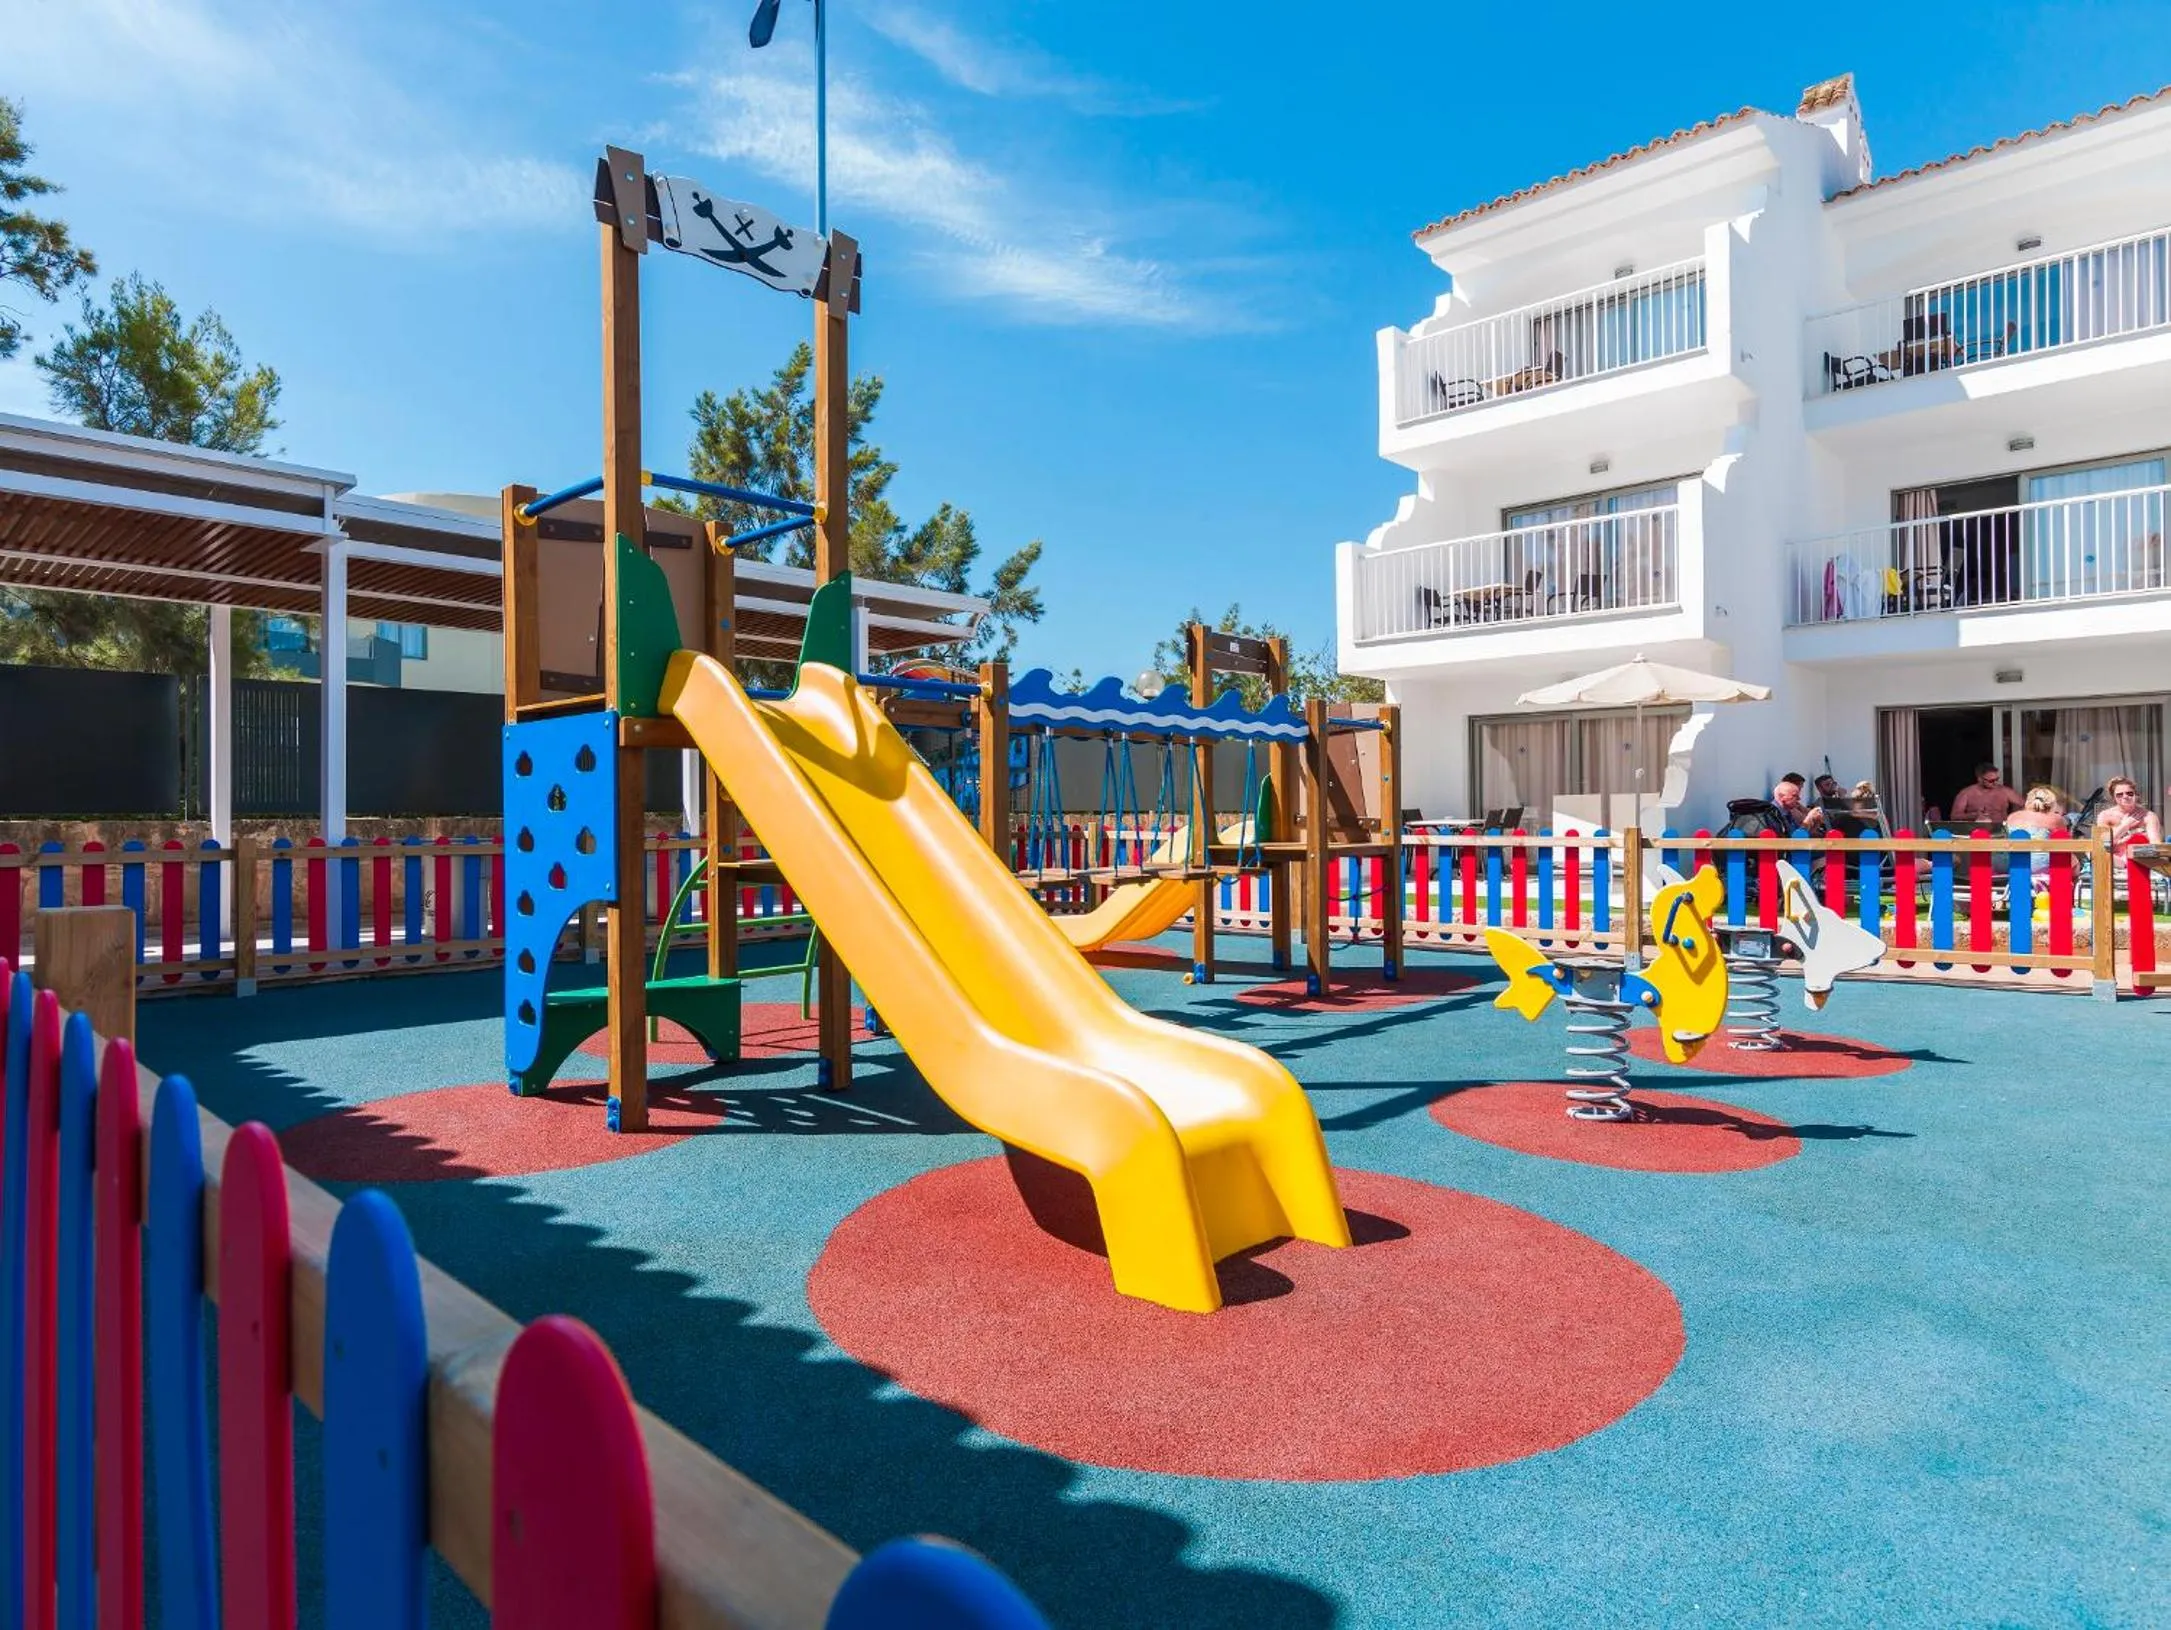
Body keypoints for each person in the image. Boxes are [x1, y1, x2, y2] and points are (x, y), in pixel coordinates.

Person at [2094, 776, 2162, 860]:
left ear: (2136, 794)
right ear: (2113, 797)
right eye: (2119, 794)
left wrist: (2125, 843)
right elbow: (2102, 844)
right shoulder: (2105, 816)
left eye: (2129, 793)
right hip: (2114, 861)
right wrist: (2125, 826)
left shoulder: (2148, 816)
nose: (2125, 796)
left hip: (2141, 859)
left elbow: (2155, 844)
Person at [1950, 762, 2022, 828]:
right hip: (1976, 831)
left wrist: (2015, 818)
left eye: (1997, 779)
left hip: (2001, 830)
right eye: (1991, 781)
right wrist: (1974, 815)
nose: (1995, 783)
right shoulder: (1967, 793)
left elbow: (2026, 805)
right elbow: (1954, 816)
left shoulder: (2005, 791)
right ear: (1980, 779)